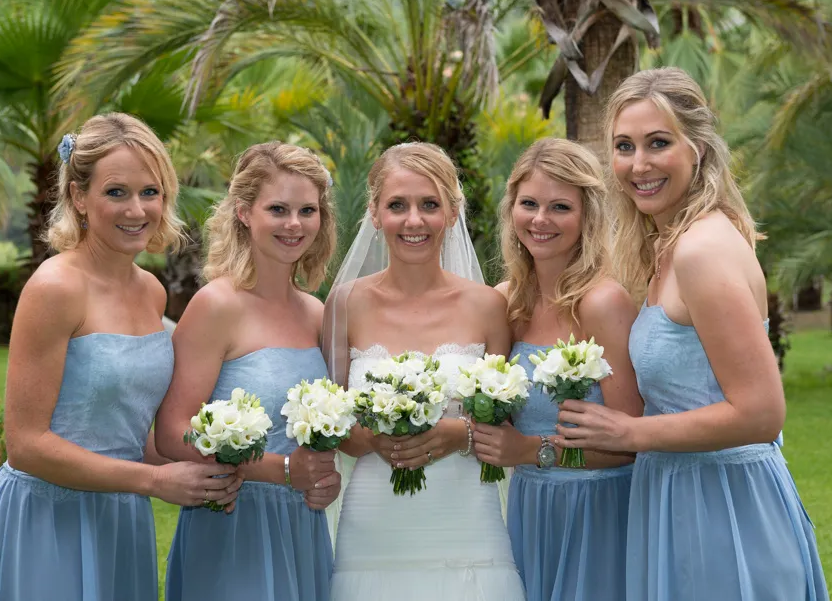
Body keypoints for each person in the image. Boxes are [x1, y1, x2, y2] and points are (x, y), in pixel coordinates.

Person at [555, 68, 829, 600]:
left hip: (723, 509)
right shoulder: (669, 246)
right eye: (624, 146)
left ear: (697, 148)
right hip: (679, 499)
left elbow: (761, 412)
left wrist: (630, 433)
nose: (639, 164)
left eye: (658, 143)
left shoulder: (702, 251)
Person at [0, 113, 241, 601]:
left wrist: (215, 464)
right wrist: (154, 480)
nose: (137, 210)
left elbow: (124, 429)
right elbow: (26, 445)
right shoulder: (55, 288)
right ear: (79, 197)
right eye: (116, 192)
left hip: (121, 516)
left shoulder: (152, 291)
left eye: (150, 192)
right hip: (49, 519)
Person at [325, 142, 526, 600]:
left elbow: (505, 424)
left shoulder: (488, 306)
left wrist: (461, 434)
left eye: (429, 205)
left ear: (452, 213)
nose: (413, 220)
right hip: (375, 521)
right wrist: (373, 436)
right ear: (375, 213)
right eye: (397, 205)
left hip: (467, 517)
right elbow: (335, 428)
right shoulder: (345, 303)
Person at [156, 141, 340, 601]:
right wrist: (283, 469)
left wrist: (324, 479)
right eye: (278, 209)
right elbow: (171, 433)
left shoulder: (317, 314)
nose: (294, 224)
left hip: (301, 525)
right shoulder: (217, 305)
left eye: (307, 210)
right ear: (243, 212)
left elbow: (317, 438)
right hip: (232, 519)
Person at [473, 138, 642, 601]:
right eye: (529, 204)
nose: (540, 220)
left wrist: (531, 449)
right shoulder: (507, 301)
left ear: (588, 216)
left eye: (560, 207)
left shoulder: (603, 303)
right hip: (530, 506)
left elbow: (631, 444)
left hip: (597, 509)